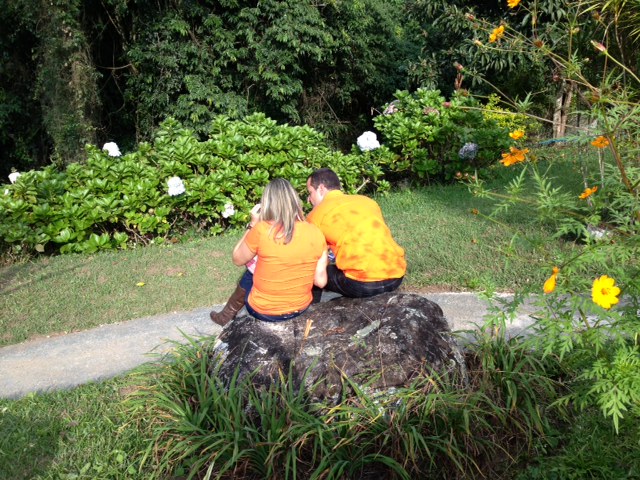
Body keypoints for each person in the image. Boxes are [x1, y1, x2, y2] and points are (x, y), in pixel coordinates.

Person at [210, 178, 328, 326]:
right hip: (300, 308)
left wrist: (252, 224)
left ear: (267, 203)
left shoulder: (262, 230)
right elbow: (320, 282)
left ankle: (226, 316)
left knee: (252, 270)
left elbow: (237, 259)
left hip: (264, 311)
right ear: (295, 201)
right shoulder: (316, 232)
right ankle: (225, 316)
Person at [306, 168, 406, 298]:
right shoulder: (367, 201)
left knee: (311, 268)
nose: (309, 199)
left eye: (310, 193)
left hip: (362, 283)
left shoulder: (315, 215)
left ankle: (312, 309)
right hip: (396, 276)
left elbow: (313, 258)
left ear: (321, 189)